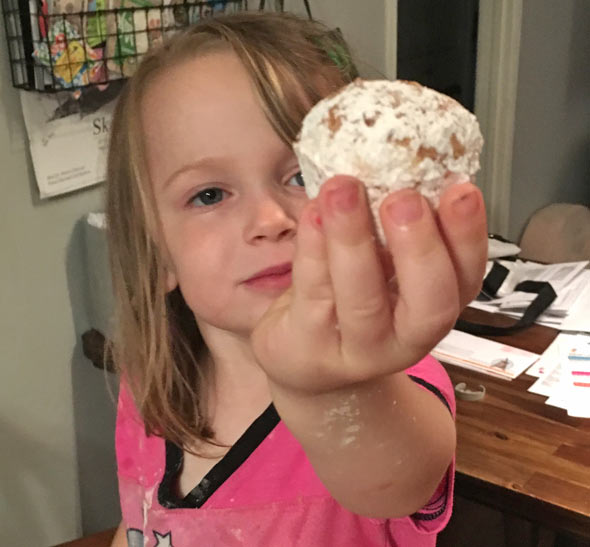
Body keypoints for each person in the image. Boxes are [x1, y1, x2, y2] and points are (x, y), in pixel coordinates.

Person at [106, 11, 488, 547]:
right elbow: (139, 522)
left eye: (303, 176)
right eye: (209, 194)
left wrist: (323, 391)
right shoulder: (151, 384)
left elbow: (393, 482)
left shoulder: (381, 380)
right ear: (156, 251)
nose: (269, 221)